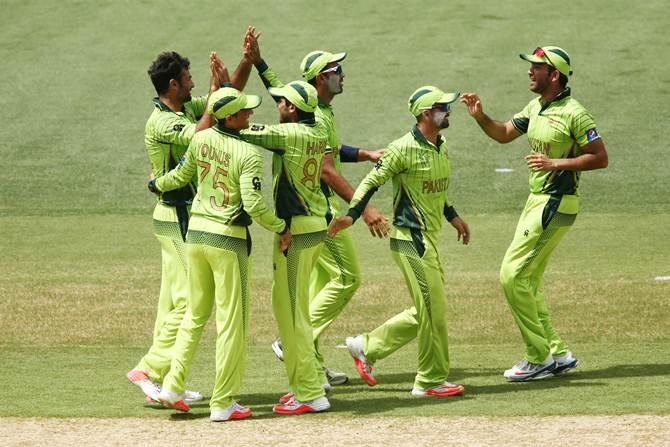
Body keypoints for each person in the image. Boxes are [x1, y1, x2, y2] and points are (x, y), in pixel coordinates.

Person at [244, 32, 388, 387]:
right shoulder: (316, 118)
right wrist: (363, 207)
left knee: (315, 286)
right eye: (337, 69)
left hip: (307, 213)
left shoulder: (315, 109)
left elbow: (284, 93)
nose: (344, 75)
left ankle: (311, 361)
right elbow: (325, 167)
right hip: (318, 213)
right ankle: (294, 342)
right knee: (347, 278)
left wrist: (365, 154)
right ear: (321, 79)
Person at [460, 46, 608, 381]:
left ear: (554, 75)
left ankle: (538, 358)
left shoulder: (576, 114)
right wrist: (481, 116)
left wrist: (555, 163)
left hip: (556, 202)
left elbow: (600, 157)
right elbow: (504, 134)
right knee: (528, 280)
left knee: (512, 276)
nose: (530, 72)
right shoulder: (536, 107)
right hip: (537, 201)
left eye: (537, 67)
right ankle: (556, 352)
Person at [127, 30, 259, 404]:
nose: (194, 83)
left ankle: (167, 380)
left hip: (180, 214)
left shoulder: (182, 108)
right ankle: (149, 369)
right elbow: (203, 133)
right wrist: (216, 97)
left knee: (174, 302)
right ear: (173, 84)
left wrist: (244, 64)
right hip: (175, 215)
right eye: (188, 79)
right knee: (189, 302)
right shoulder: (163, 122)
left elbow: (226, 104)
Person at [151, 86, 291, 421]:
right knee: (232, 322)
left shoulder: (199, 140)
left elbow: (181, 177)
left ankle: (172, 386)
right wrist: (280, 227)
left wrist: (157, 185)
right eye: (245, 112)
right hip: (228, 241)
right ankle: (223, 402)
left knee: (194, 315)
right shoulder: (249, 153)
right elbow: (255, 204)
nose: (250, 115)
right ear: (230, 117)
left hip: (196, 234)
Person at [329, 86, 469, 398]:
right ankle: (430, 380)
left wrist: (453, 216)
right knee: (434, 311)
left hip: (429, 241)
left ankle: (365, 346)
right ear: (425, 113)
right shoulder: (402, 149)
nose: (448, 109)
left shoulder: (440, 145)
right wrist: (353, 216)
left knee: (428, 309)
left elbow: (436, 189)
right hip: (410, 241)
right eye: (442, 106)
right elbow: (370, 182)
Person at [239, 80, 332, 415]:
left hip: (296, 232)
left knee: (292, 315)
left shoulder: (288, 135)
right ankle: (307, 385)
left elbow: (240, 129)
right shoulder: (317, 128)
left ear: (292, 109)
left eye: (281, 103)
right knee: (295, 310)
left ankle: (309, 393)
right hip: (315, 227)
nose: (277, 105)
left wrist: (223, 94)